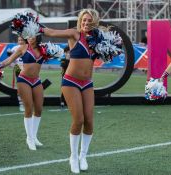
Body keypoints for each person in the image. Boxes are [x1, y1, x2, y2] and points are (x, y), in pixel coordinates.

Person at [42, 9, 99, 173]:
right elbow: (52, 32)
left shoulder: (97, 40)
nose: (86, 23)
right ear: (80, 21)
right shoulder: (75, 35)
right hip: (71, 82)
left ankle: (83, 156)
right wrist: (36, 27)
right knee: (78, 120)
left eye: (89, 21)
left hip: (87, 83)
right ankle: (73, 157)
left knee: (89, 121)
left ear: (94, 22)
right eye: (84, 20)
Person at [0, 35, 44, 151]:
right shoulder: (23, 48)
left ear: (38, 38)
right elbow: (9, 60)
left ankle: (34, 136)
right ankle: (30, 139)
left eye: (33, 37)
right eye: (29, 37)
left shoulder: (43, 49)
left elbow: (58, 54)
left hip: (36, 80)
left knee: (38, 109)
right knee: (29, 108)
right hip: (24, 79)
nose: (30, 38)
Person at [7, 36, 27, 112]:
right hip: (18, 68)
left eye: (22, 40)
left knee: (29, 86)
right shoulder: (15, 48)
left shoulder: (28, 48)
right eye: (19, 40)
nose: (21, 41)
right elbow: (11, 60)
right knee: (20, 87)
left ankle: (28, 102)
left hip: (27, 68)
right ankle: (21, 103)